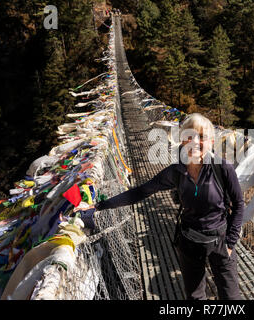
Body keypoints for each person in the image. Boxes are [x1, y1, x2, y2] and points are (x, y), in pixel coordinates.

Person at [84, 113, 244, 300]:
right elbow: (141, 192)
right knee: (195, 296)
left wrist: (231, 242)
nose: (194, 142)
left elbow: (239, 204)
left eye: (201, 137)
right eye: (189, 136)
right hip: (190, 241)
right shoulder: (176, 172)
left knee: (231, 298)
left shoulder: (222, 168)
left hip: (220, 241)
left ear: (211, 142)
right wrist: (99, 206)